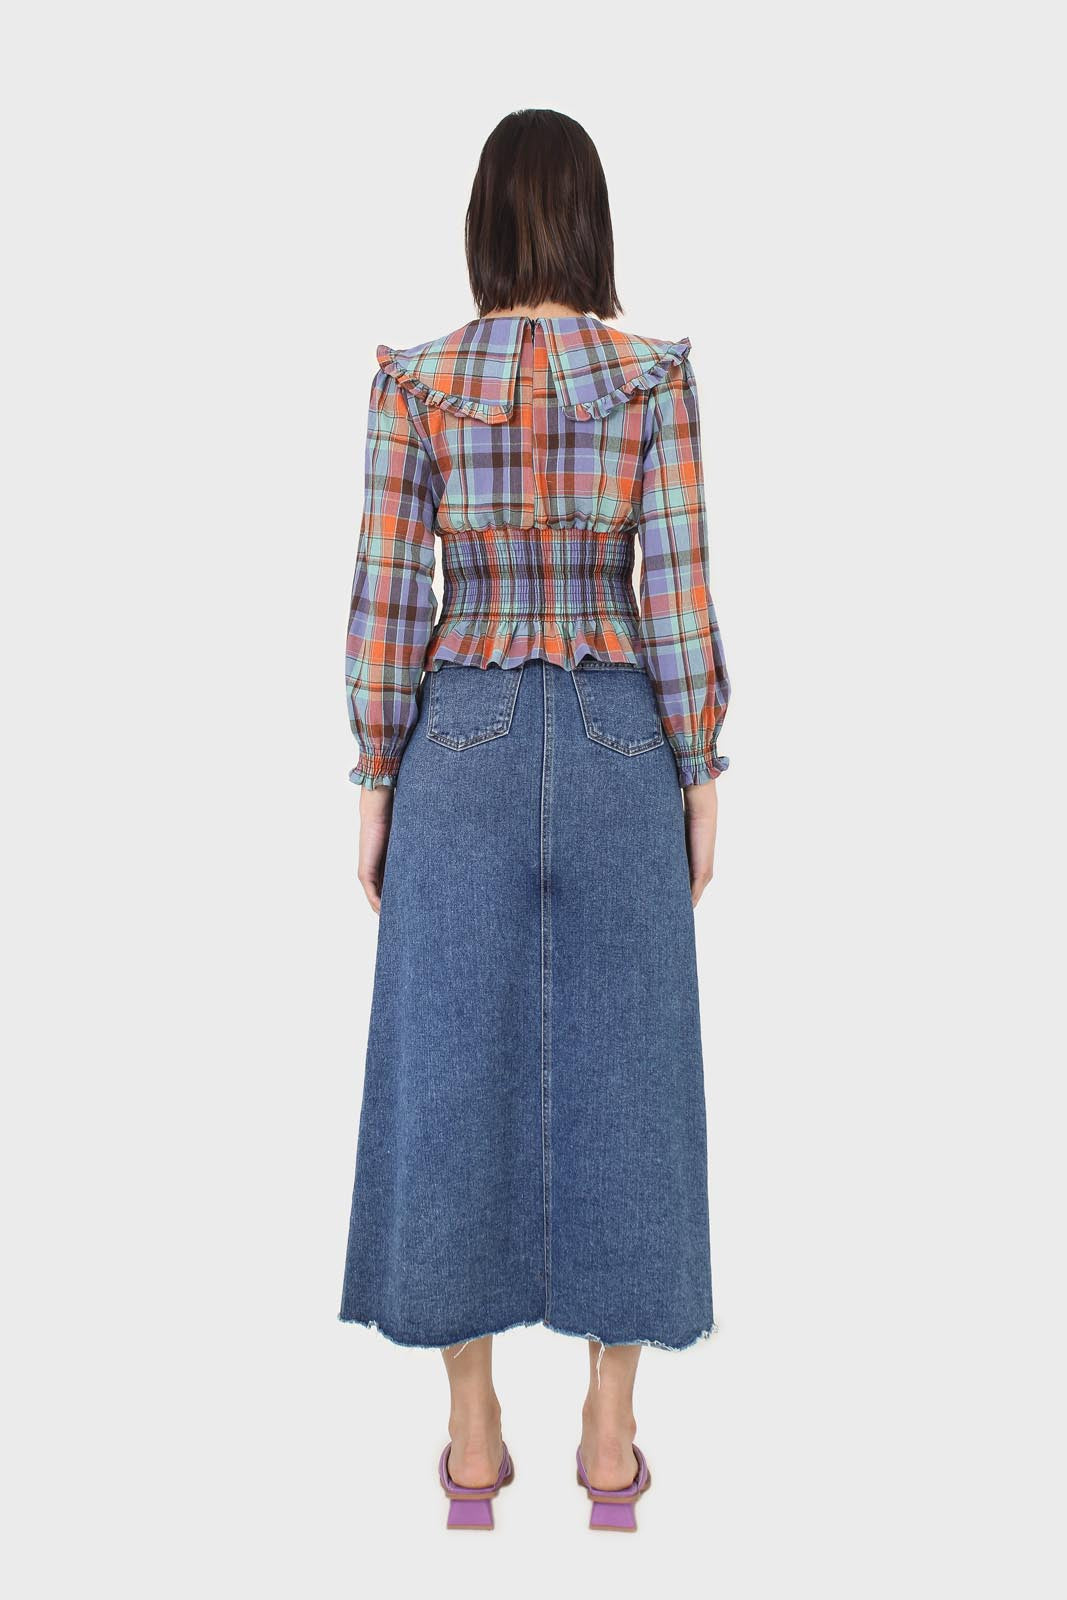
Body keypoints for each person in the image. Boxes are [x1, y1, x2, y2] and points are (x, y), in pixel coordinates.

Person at [340, 108, 730, 1532]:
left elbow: (391, 595)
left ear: (487, 222)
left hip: (461, 743)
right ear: (589, 219)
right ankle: (611, 1435)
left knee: (451, 1069)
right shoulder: (651, 378)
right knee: (635, 1070)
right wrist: (699, 771)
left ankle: (471, 1431)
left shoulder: (417, 383)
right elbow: (675, 591)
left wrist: (376, 779)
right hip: (625, 738)